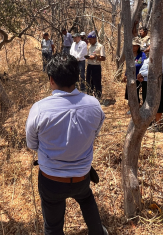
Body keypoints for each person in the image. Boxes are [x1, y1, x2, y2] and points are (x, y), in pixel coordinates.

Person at [26, 54, 107, 235]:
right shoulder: (94, 105)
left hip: (51, 181)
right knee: (86, 197)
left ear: (51, 79)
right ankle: (98, 232)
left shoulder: (39, 109)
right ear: (78, 76)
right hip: (81, 177)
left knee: (53, 226)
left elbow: (32, 144)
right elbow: (94, 134)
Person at [137, 50, 163, 123]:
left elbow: (157, 71)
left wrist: (142, 74)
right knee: (146, 101)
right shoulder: (149, 57)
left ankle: (158, 124)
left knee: (158, 102)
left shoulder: (162, 57)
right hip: (146, 82)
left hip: (156, 83)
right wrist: (140, 74)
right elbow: (143, 69)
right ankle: (148, 122)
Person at [124, 38, 147, 104]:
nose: (133, 47)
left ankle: (137, 107)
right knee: (129, 92)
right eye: (132, 45)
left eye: (135, 46)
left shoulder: (142, 54)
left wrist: (135, 65)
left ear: (138, 46)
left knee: (136, 92)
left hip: (138, 77)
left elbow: (142, 63)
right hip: (130, 76)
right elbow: (128, 66)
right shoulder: (129, 54)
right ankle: (131, 107)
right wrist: (126, 75)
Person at [86, 31, 106, 99]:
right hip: (89, 66)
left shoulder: (100, 46)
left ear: (94, 38)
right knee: (88, 82)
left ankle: (98, 97)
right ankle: (89, 96)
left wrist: (95, 57)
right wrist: (88, 57)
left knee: (97, 82)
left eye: (90, 39)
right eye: (88, 39)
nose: (89, 41)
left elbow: (103, 58)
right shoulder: (89, 46)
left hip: (96, 67)